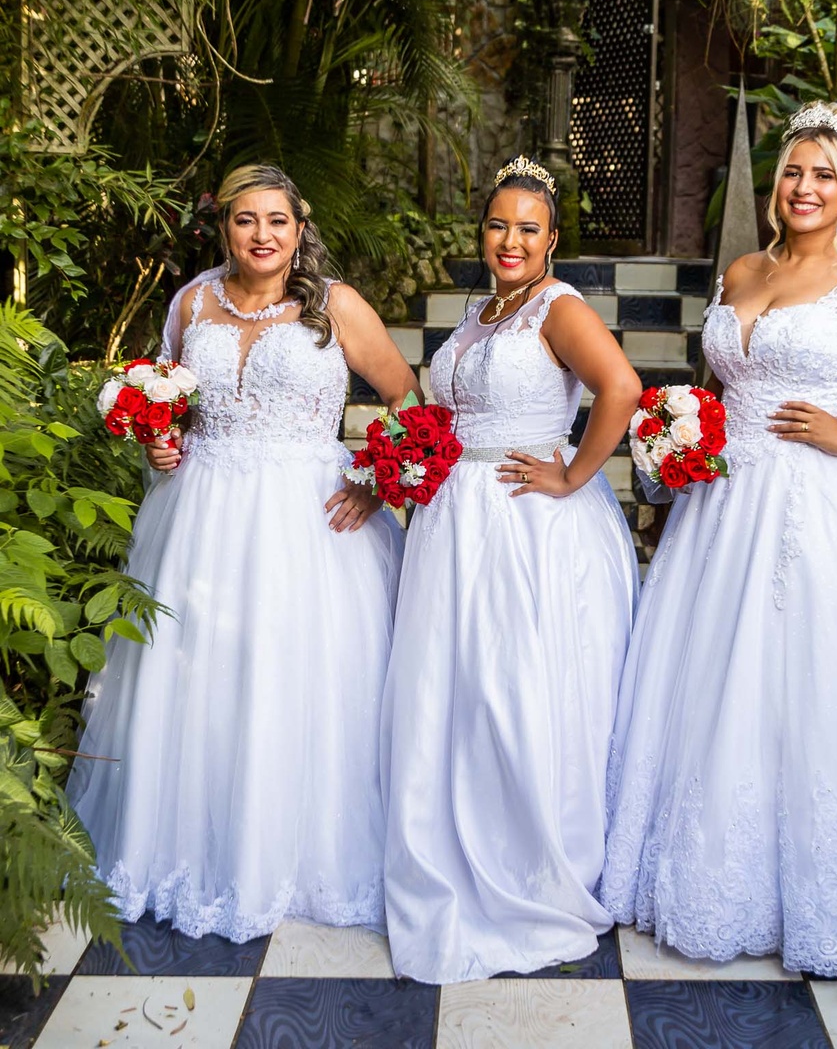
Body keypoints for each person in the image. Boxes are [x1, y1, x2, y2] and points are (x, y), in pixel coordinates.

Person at [601, 102, 837, 977]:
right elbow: (723, 382)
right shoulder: (743, 270)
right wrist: (682, 435)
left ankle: (815, 896)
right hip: (723, 507)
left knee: (804, 682)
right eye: (794, 171)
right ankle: (706, 871)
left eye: (824, 175)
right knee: (714, 677)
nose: (805, 187)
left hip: (819, 504)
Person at [70, 164, 419, 942]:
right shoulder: (192, 303)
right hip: (200, 514)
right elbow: (167, 403)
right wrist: (160, 442)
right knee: (194, 677)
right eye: (245, 220)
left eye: (277, 220)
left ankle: (291, 853)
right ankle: (190, 847)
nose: (262, 235)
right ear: (224, 226)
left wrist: (375, 482)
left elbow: (407, 395)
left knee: (293, 677)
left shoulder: (336, 306)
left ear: (300, 227)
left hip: (308, 522)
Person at [381, 155, 641, 983]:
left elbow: (621, 388)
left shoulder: (558, 308)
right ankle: (452, 836)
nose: (510, 240)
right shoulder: (483, 311)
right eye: (498, 225)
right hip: (455, 521)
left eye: (528, 228)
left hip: (526, 522)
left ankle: (527, 861)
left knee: (514, 689)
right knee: (456, 688)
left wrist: (573, 474)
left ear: (552, 239)